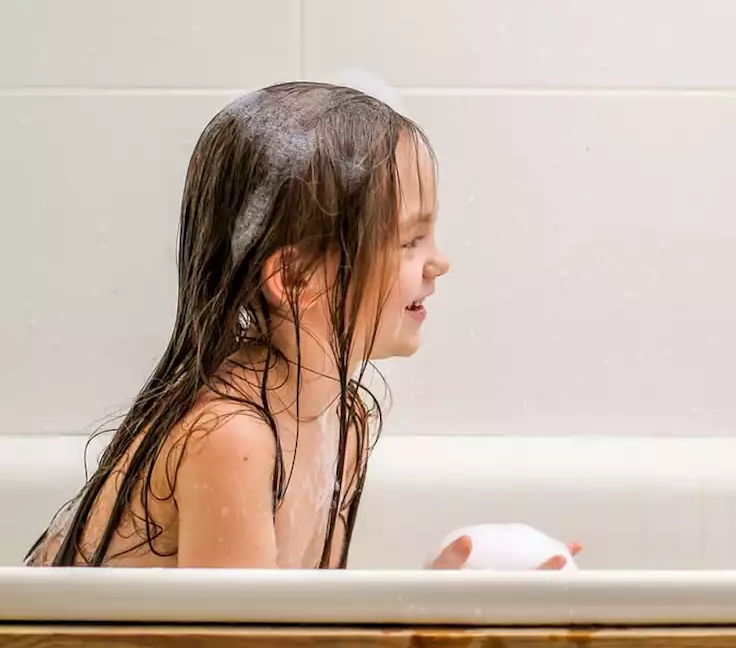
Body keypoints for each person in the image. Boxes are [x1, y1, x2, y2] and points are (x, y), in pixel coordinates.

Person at [25, 79, 573, 570]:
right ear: (293, 278)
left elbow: (302, 635)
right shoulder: (233, 439)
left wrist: (429, 615)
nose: (439, 261)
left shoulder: (344, 417)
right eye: (409, 241)